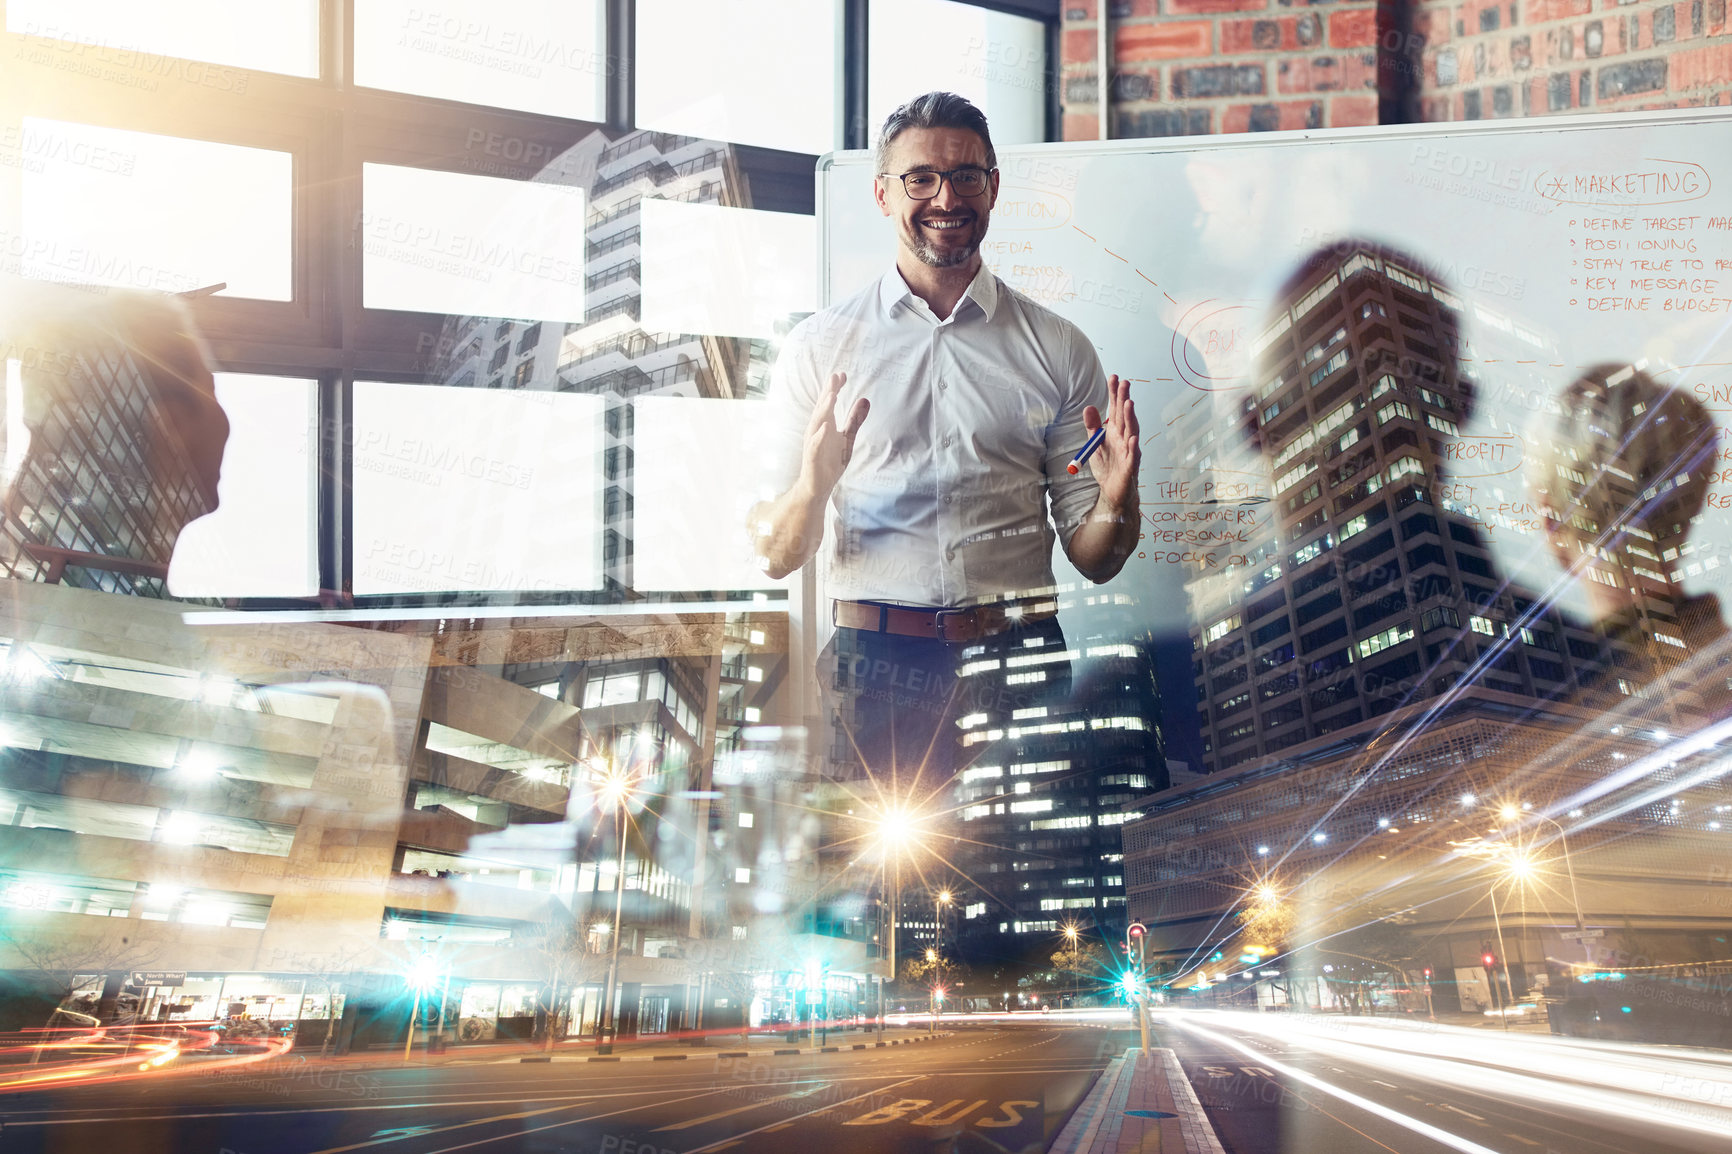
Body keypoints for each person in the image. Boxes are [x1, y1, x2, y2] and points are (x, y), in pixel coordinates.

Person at [749, 91, 1140, 792]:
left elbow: (1097, 560)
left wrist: (1118, 499)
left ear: (993, 188)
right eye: (920, 177)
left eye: (966, 175)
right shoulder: (818, 349)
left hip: (1019, 661)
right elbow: (777, 555)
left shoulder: (1056, 347)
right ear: (881, 194)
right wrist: (814, 488)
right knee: (876, 892)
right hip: (872, 668)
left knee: (1034, 891)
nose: (944, 196)